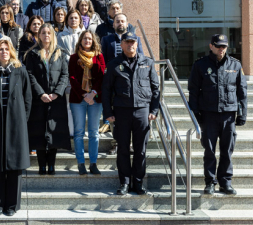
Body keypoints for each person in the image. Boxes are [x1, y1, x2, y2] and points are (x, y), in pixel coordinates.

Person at [188, 34, 247, 196]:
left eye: (224, 46)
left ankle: (225, 182)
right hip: (208, 115)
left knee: (227, 150)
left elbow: (242, 91)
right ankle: (210, 182)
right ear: (211, 46)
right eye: (218, 46)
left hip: (229, 115)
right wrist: (195, 114)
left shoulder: (235, 65)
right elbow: (193, 91)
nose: (221, 49)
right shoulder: (200, 65)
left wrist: (242, 113)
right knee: (209, 150)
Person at [102, 32, 159, 195]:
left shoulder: (147, 63)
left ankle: (138, 183)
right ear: (121, 45)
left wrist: (154, 110)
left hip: (142, 111)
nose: (130, 45)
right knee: (123, 149)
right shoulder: (113, 64)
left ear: (136, 44)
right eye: (127, 42)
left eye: (133, 42)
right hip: (121, 112)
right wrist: (108, 112)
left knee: (141, 150)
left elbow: (156, 89)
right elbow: (106, 91)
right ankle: (125, 183)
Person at [0, 39, 32, 216]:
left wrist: (22, 120)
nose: (3, 52)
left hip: (16, 125)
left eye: (6, 49)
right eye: (0, 49)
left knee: (15, 166)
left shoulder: (20, 71)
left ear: (11, 52)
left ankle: (11, 206)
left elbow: (27, 98)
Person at [25, 24, 71, 175]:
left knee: (54, 131)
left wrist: (56, 93)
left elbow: (65, 75)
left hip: (56, 100)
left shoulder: (61, 53)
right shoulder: (32, 54)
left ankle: (51, 165)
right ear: (39, 35)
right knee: (39, 132)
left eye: (48, 33)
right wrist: (40, 93)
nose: (46, 35)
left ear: (52, 35)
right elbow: (30, 75)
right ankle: (41, 165)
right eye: (43, 33)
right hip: (39, 100)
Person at [69, 31, 106, 175]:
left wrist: (93, 93)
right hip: (78, 99)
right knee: (78, 133)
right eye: (85, 38)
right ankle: (81, 163)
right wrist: (84, 94)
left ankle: (93, 163)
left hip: (95, 99)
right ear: (80, 40)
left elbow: (102, 76)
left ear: (93, 41)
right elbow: (72, 78)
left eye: (90, 38)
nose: (87, 40)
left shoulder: (99, 57)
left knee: (94, 133)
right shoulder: (74, 58)